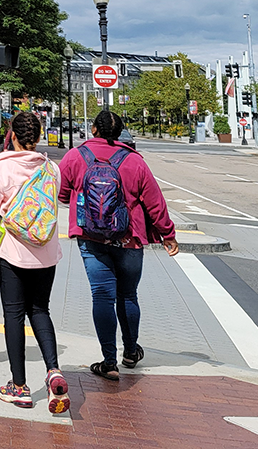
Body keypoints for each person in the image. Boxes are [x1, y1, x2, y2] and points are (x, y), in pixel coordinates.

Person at [59, 109, 179, 381]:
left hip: (91, 238)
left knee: (102, 296)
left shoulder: (75, 156)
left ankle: (109, 361)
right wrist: (167, 234)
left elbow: (63, 194)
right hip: (130, 238)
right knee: (128, 296)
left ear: (94, 129)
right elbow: (154, 203)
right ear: (121, 132)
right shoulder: (135, 161)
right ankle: (130, 352)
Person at [0, 111, 69, 413]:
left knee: (13, 315)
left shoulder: (0, 170)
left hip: (13, 253)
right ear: (39, 137)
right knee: (40, 310)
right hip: (46, 253)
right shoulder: (51, 169)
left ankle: (19, 386)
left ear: (12, 135)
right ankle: (53, 369)